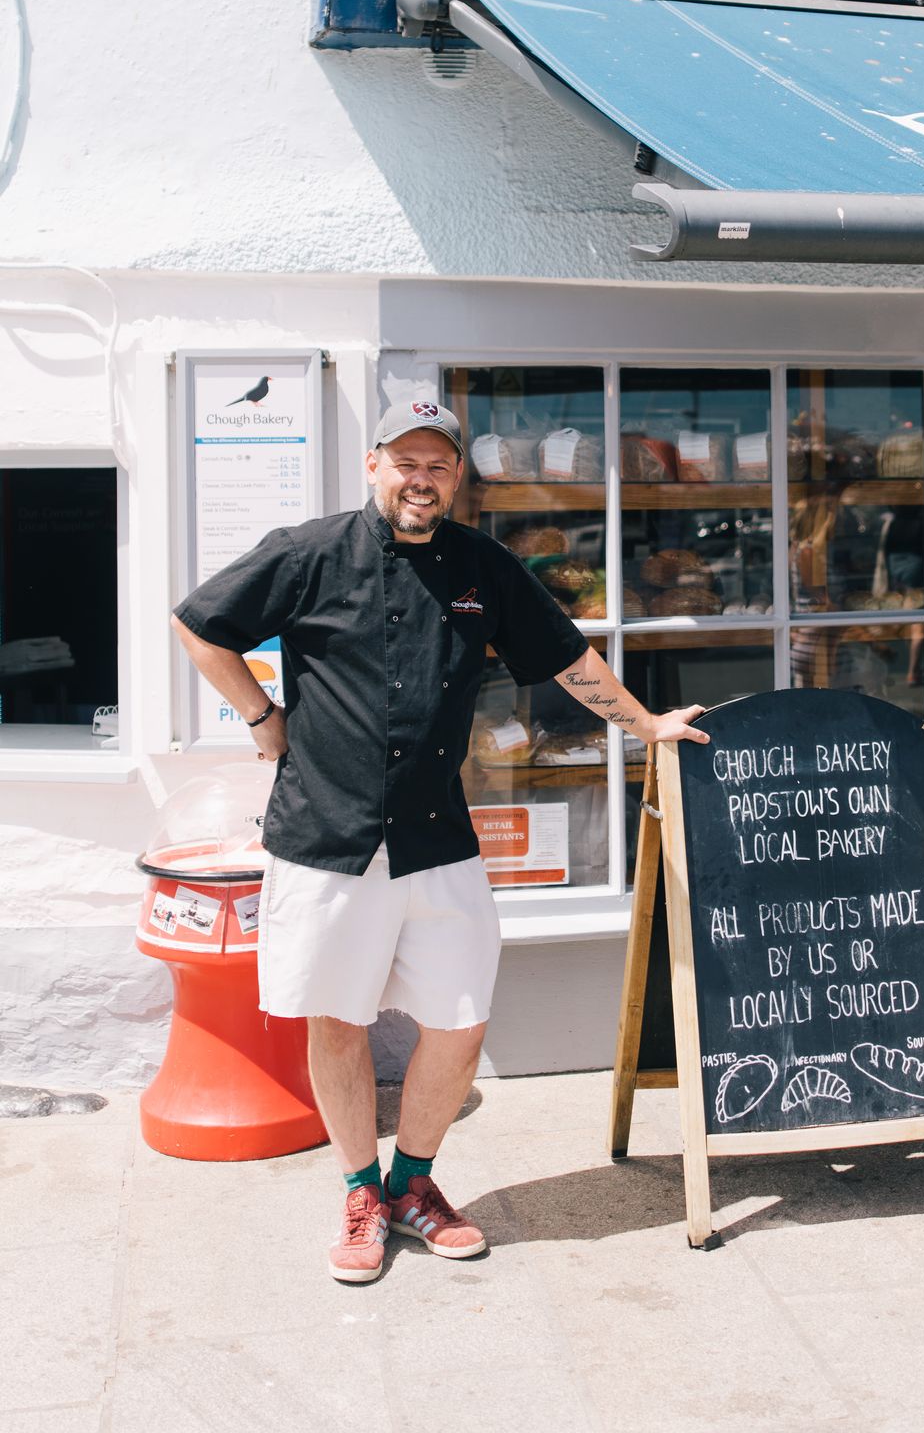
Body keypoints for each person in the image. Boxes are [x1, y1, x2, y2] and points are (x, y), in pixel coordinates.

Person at [172, 395, 708, 1283]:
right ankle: (360, 1192)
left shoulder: (482, 566)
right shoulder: (307, 553)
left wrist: (646, 725)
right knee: (336, 1020)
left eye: (438, 465)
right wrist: (263, 718)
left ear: (457, 477)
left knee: (459, 1022)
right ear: (374, 465)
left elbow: (565, 657)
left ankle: (414, 1183)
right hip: (327, 835)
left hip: (437, 838)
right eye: (406, 462)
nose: (421, 480)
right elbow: (200, 624)